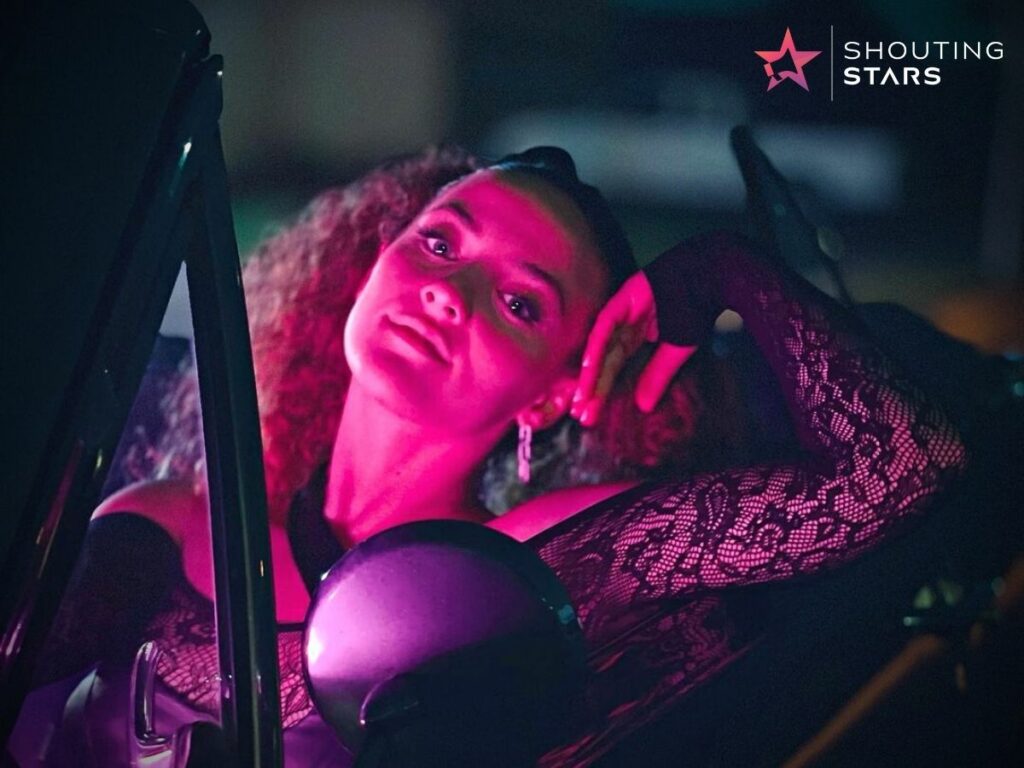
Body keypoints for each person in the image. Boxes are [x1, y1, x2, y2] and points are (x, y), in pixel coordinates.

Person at [22, 145, 967, 765]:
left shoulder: (543, 564)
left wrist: (727, 268)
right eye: (439, 243)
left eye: (521, 302)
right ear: (376, 260)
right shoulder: (174, 517)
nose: (449, 292)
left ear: (555, 391)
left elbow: (902, 468)